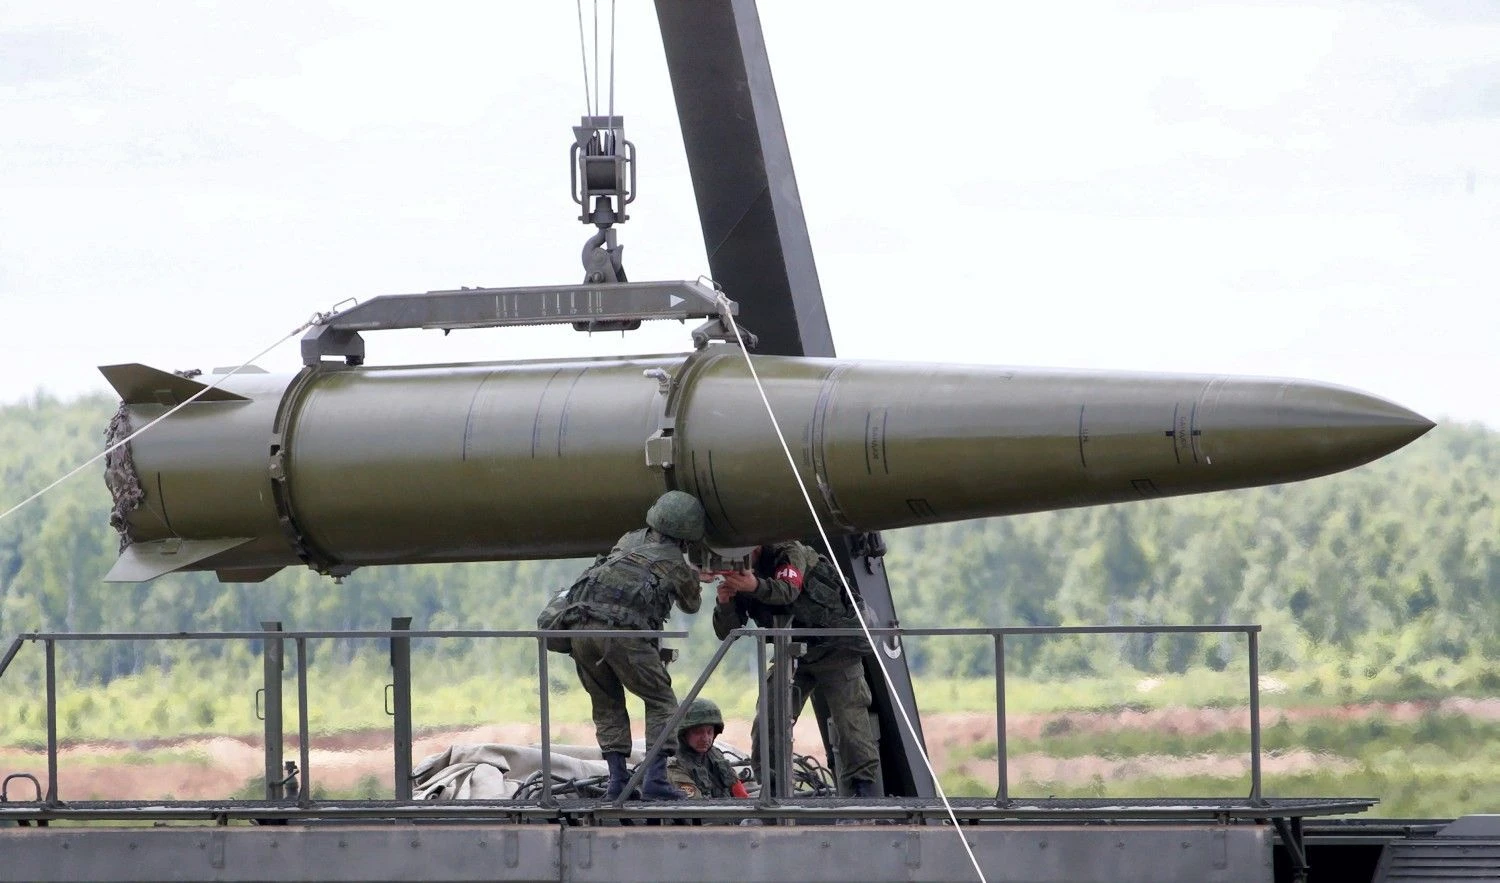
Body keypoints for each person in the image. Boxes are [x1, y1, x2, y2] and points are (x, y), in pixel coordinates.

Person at [565, 490, 706, 800]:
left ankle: (617, 784)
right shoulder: (676, 564)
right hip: (622, 635)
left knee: (607, 704)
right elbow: (692, 605)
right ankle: (656, 780)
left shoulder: (628, 541)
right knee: (661, 702)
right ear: (688, 536)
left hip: (579, 628)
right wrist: (694, 576)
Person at [713, 541, 882, 798]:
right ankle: (773, 792)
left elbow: (787, 591)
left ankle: (863, 794)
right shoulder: (740, 571)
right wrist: (725, 601)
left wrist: (753, 585)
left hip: (835, 648)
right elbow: (727, 631)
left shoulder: (789, 553)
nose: (738, 560)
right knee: (768, 718)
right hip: (791, 652)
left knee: (850, 724)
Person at [665, 698, 751, 799]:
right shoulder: (675, 764)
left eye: (709, 731)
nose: (706, 738)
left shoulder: (716, 754)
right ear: (683, 734)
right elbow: (696, 804)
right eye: (698, 732)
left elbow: (741, 794)